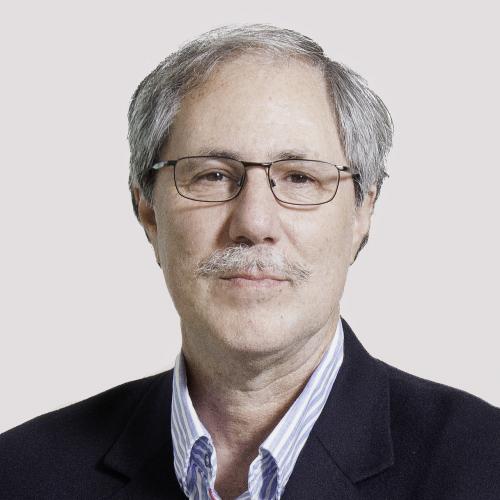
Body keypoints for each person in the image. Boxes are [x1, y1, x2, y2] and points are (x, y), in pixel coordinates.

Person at [1, 24, 499, 500]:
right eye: (212, 175)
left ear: (362, 212)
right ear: (148, 211)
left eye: (300, 177)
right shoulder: (20, 475)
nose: (254, 222)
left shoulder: (485, 468)